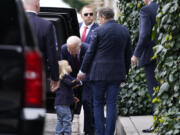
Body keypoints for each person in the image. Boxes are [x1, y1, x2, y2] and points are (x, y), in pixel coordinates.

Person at [77, 7, 132, 135]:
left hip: (98, 74)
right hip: (116, 74)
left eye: (98, 18)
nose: (98, 20)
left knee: (98, 104)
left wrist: (82, 71)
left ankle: (100, 132)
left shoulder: (98, 31)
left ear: (102, 17)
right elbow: (128, 54)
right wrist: (125, 72)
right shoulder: (124, 31)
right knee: (112, 105)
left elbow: (90, 53)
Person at [131, 0, 159, 133]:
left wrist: (136, 54)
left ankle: (158, 123)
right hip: (167, 55)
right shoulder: (162, 7)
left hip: (151, 56)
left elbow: (144, 35)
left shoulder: (146, 10)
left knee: (154, 90)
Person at [23, 0, 59, 91]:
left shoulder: (12, 23)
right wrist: (55, 78)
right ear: (37, 3)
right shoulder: (46, 25)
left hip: (14, 73)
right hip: (37, 75)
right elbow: (52, 55)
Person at [79, 5, 98, 135]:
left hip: (90, 71)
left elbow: (94, 49)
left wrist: (80, 44)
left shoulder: (98, 29)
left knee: (88, 102)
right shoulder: (76, 26)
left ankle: (89, 130)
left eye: (91, 14)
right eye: (86, 14)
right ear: (81, 15)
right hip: (73, 69)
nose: (89, 16)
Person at [60, 36, 89, 118]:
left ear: (79, 47)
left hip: (86, 80)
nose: (69, 52)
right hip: (72, 80)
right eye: (68, 49)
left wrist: (80, 81)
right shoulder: (64, 49)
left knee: (87, 102)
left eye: (72, 49)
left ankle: (88, 130)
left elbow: (90, 69)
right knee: (69, 103)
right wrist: (72, 82)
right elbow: (64, 68)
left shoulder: (88, 49)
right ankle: (67, 127)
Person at [52, 60, 80, 135]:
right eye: (68, 65)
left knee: (60, 120)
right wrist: (78, 80)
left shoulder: (64, 78)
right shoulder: (64, 77)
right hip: (62, 104)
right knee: (67, 119)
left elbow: (66, 90)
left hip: (59, 104)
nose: (70, 66)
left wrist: (73, 98)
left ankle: (58, 133)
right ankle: (67, 133)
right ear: (64, 68)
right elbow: (71, 84)